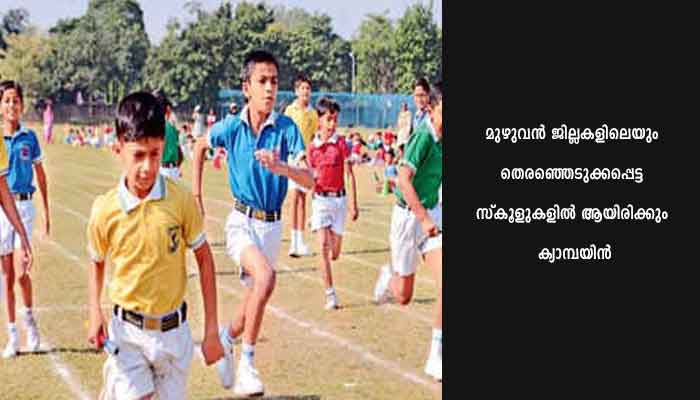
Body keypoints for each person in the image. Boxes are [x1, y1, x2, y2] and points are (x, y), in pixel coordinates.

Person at [86, 91, 224, 399]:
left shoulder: (181, 200)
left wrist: (212, 329)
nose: (148, 167)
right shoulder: (105, 210)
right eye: (138, 155)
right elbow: (96, 261)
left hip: (174, 336)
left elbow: (204, 260)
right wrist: (95, 311)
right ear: (118, 148)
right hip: (128, 334)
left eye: (155, 154)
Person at [192, 50, 313, 397]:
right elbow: (200, 147)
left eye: (274, 81)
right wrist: (197, 196)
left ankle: (226, 339)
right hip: (241, 221)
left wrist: (282, 168)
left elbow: (310, 179)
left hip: (272, 226)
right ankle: (248, 364)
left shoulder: (286, 129)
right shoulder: (232, 126)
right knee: (266, 278)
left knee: (253, 301)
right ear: (247, 87)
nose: (270, 88)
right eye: (262, 81)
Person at [373, 81, 443, 382]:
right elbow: (403, 180)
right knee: (403, 296)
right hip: (407, 218)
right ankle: (388, 278)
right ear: (433, 108)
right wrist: (423, 218)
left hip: (432, 214)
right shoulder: (423, 137)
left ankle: (436, 356)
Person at [307, 97, 358, 310]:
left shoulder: (341, 144)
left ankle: (332, 252)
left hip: (339, 201)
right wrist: (311, 207)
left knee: (334, 253)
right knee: (322, 246)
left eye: (335, 119)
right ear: (319, 119)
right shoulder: (312, 147)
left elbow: (349, 174)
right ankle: (330, 294)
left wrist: (354, 203)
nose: (332, 124)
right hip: (321, 201)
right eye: (328, 119)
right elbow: (309, 177)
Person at [0, 80, 38, 358]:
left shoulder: (29, 136)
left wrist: (46, 212)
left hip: (23, 206)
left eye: (16, 100)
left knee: (22, 272)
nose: (12, 105)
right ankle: (12, 334)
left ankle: (30, 321)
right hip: (2, 210)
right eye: (7, 100)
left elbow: (41, 174)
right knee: (7, 275)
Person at [283, 74, 318, 257]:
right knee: (293, 198)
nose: (305, 91)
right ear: (296, 91)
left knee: (303, 200)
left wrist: (311, 159)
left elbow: (313, 137)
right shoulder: (290, 110)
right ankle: (293, 242)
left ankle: (301, 240)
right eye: (302, 88)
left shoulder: (313, 113)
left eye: (308, 88)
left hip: (306, 160)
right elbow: (283, 133)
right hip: (292, 158)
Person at [153, 90, 184, 180]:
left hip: (161, 170)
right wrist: (176, 168)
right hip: (173, 170)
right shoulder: (172, 128)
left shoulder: (154, 128)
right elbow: (180, 155)